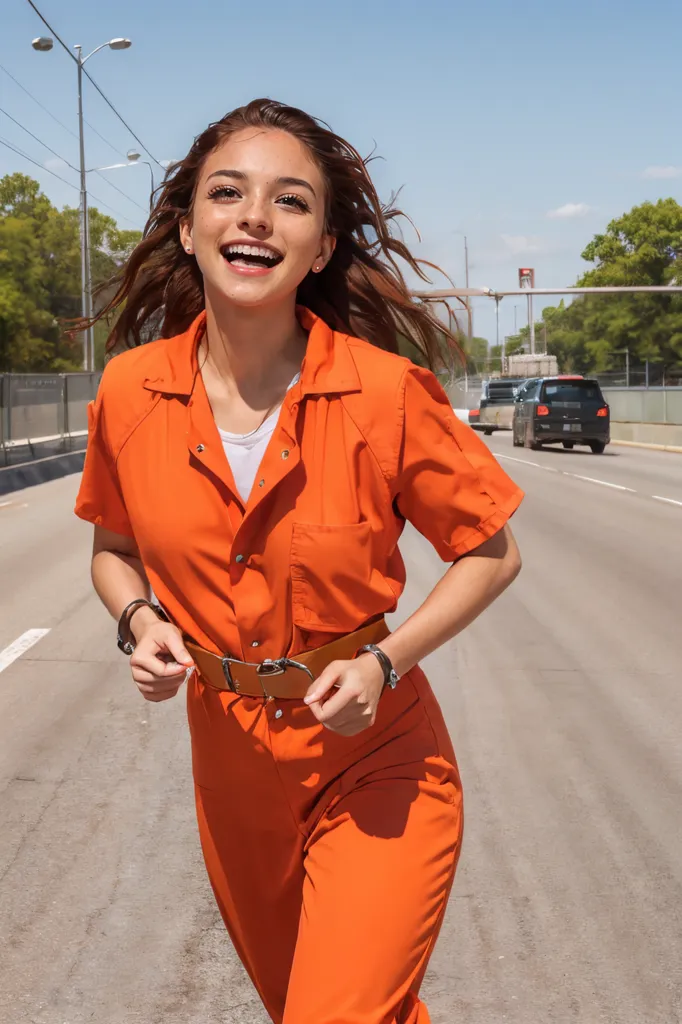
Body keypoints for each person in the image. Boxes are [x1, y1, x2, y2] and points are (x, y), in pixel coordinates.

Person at [74, 98, 523, 1024]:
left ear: (319, 247)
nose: (254, 217)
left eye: (290, 201)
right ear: (189, 226)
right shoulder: (128, 391)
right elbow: (112, 551)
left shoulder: (387, 393)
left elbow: (492, 551)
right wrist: (139, 619)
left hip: (377, 752)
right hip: (228, 758)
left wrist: (385, 660)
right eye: (227, 193)